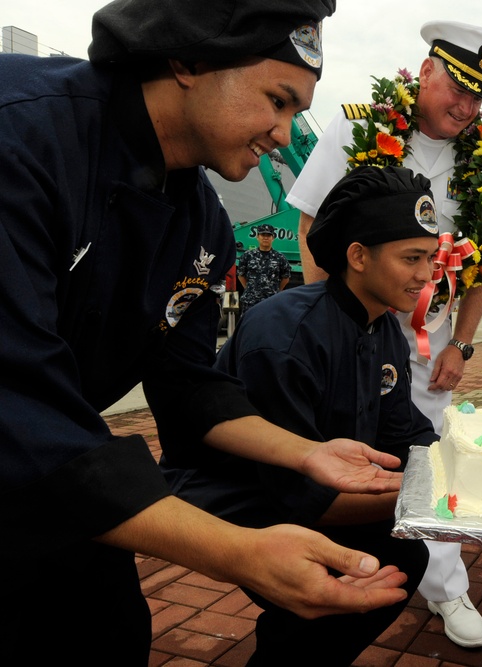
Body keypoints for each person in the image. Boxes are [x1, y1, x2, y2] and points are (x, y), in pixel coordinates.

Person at [0, 1, 415, 661]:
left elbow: (189, 385)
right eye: (277, 100)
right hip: (32, 450)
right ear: (189, 58)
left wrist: (303, 452)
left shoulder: (201, 221)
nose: (284, 134)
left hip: (62, 481)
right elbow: (16, 404)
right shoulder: (22, 134)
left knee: (109, 633)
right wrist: (239, 552)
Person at [285, 20, 482, 648]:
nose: (466, 108)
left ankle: (444, 585)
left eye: (478, 98)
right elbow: (313, 218)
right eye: (457, 90)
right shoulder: (362, 126)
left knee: (426, 453)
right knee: (341, 450)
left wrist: (462, 344)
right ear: (425, 72)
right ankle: (331, 562)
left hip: (428, 339)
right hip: (355, 327)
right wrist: (326, 317)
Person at [163, 166, 441, 665]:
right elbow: (308, 502)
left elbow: (409, 436)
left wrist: (469, 469)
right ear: (358, 256)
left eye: (430, 258)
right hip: (235, 496)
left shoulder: (384, 331)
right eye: (412, 258)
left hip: (319, 486)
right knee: (348, 582)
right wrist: (445, 503)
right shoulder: (285, 336)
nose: (427, 275)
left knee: (404, 557)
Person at [237, 222, 291, 312]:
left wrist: (276, 291)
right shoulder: (248, 255)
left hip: (271, 301)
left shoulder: (279, 257)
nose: (265, 237)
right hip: (250, 301)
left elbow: (286, 277)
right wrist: (249, 289)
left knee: (269, 325)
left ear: (273, 238)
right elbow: (240, 274)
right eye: (263, 235)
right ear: (257, 237)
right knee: (249, 325)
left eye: (268, 235)